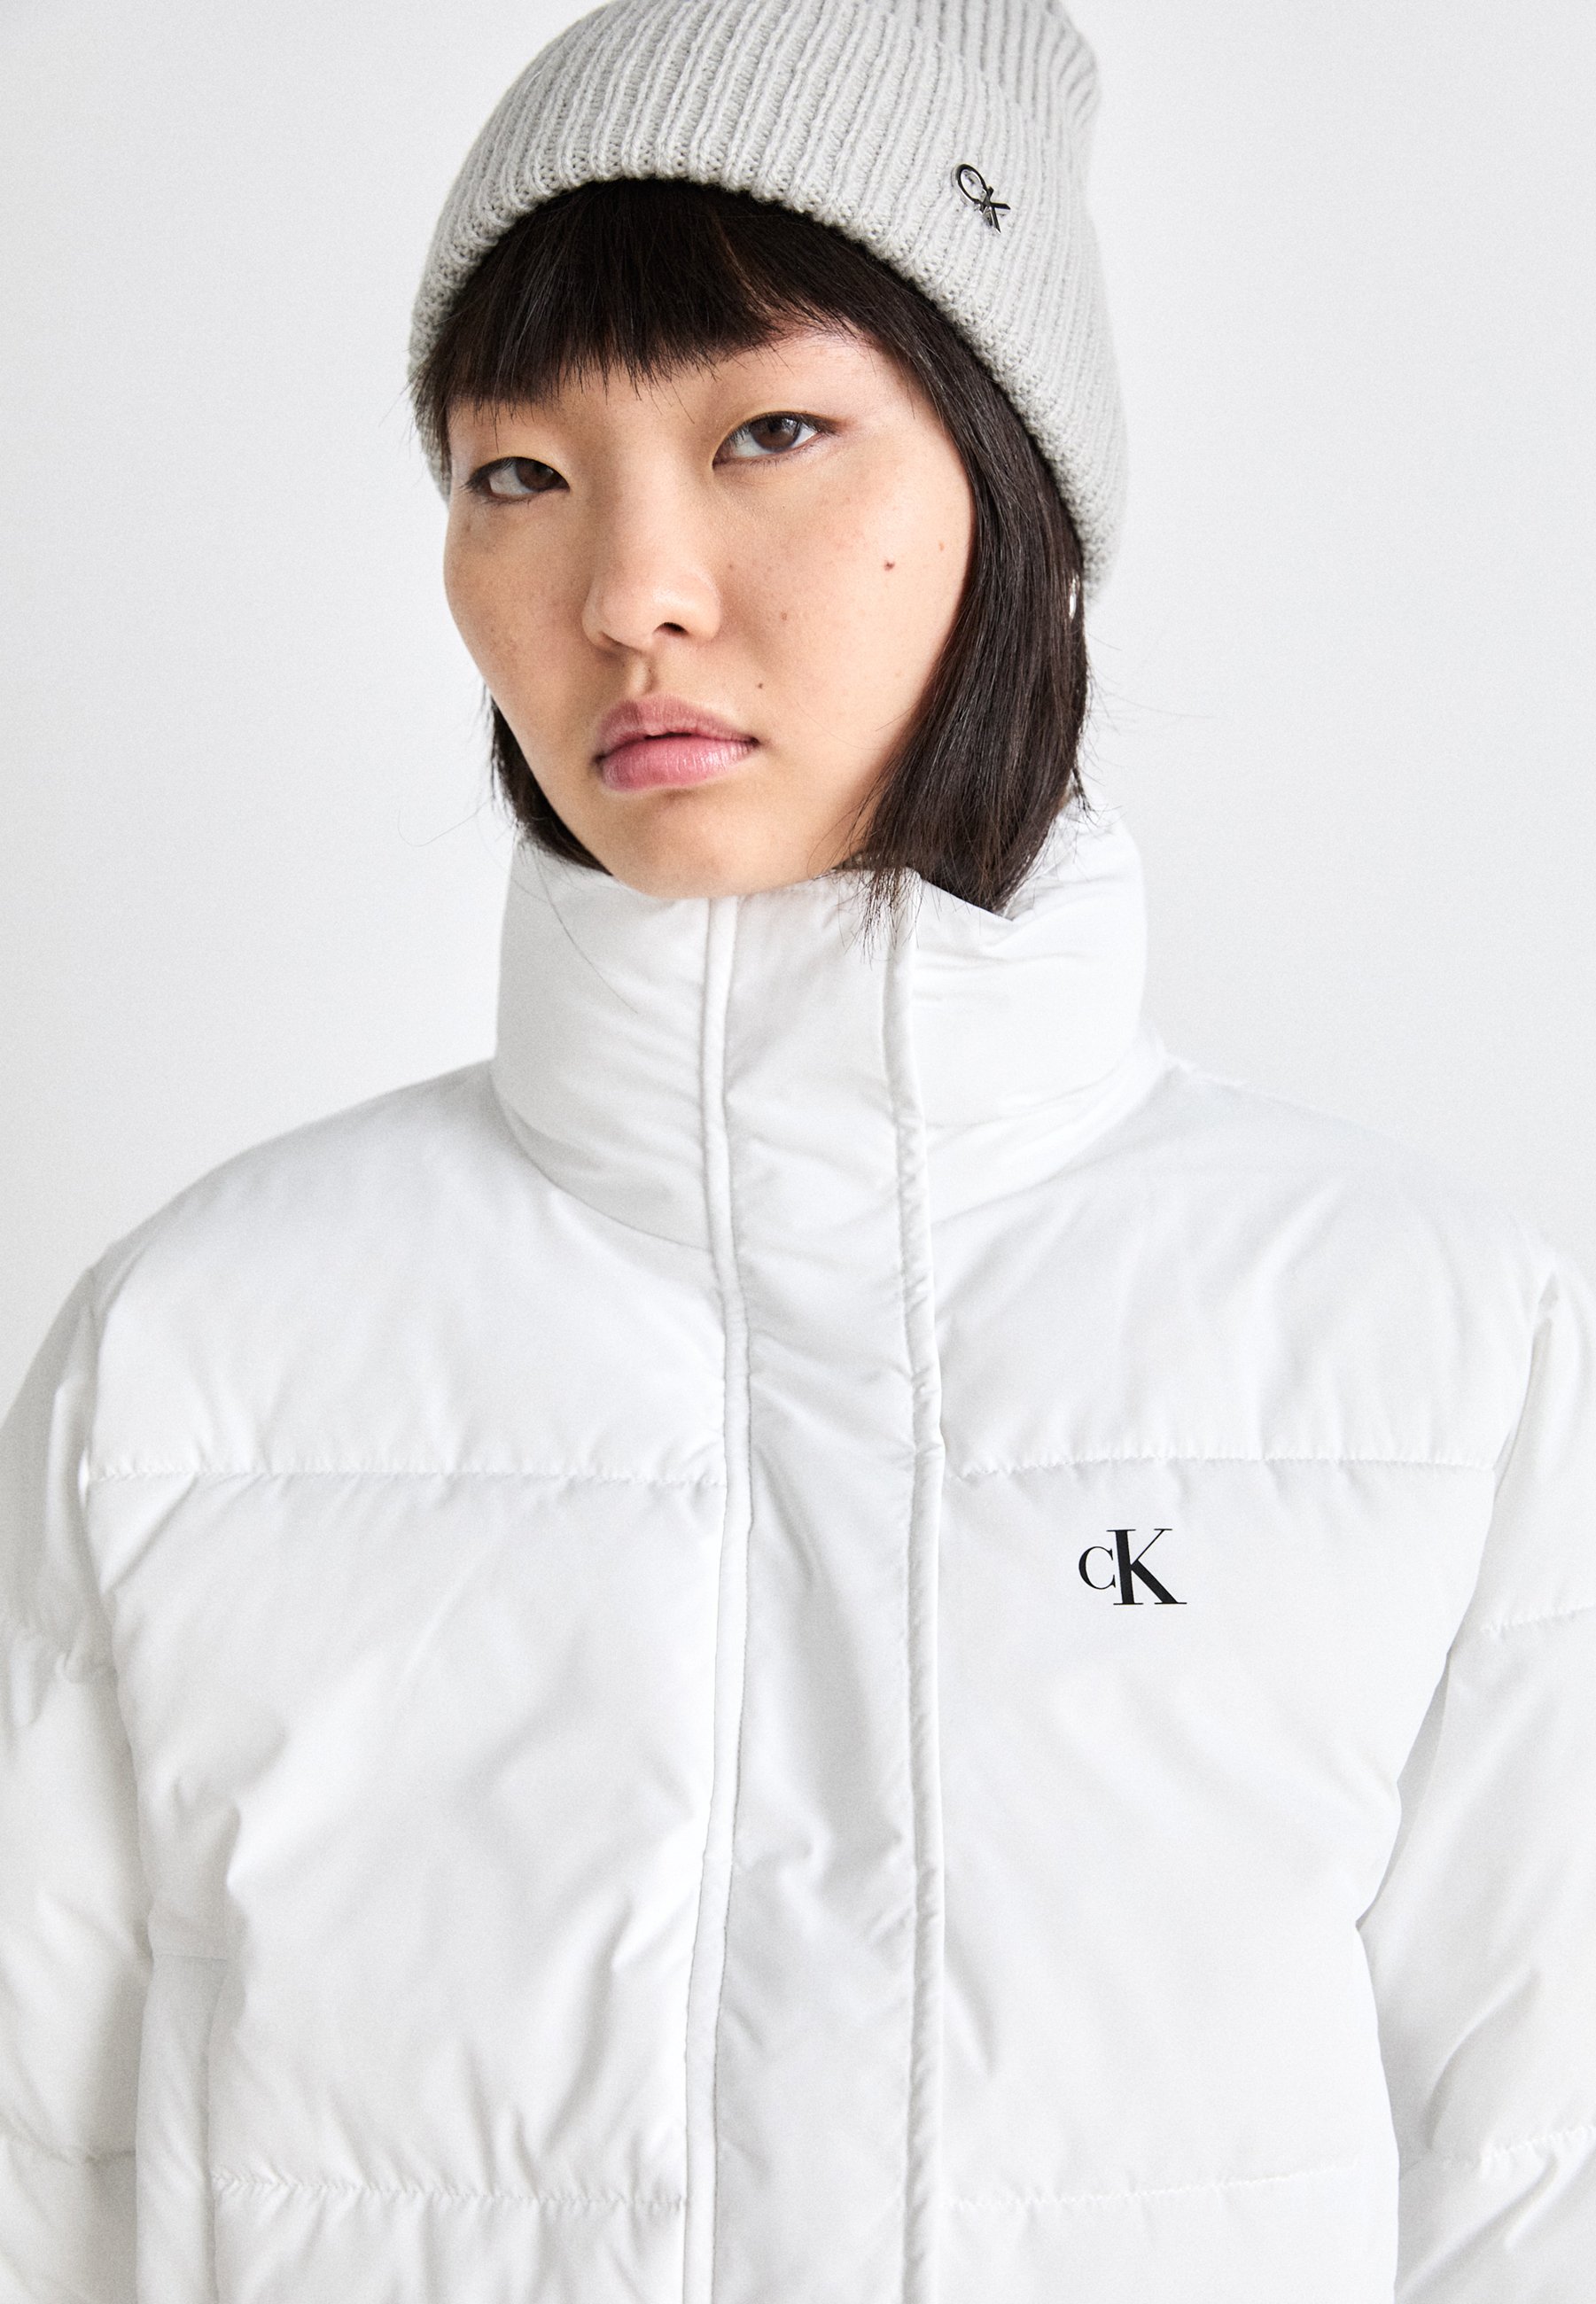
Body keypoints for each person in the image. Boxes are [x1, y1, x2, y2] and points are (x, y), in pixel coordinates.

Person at [2, 0, 1592, 2298]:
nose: (629, 590)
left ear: (1013, 491)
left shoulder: (1424, 1351)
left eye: (766, 431)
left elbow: (1538, 2193)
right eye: (516, 473)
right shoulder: (199, 1356)